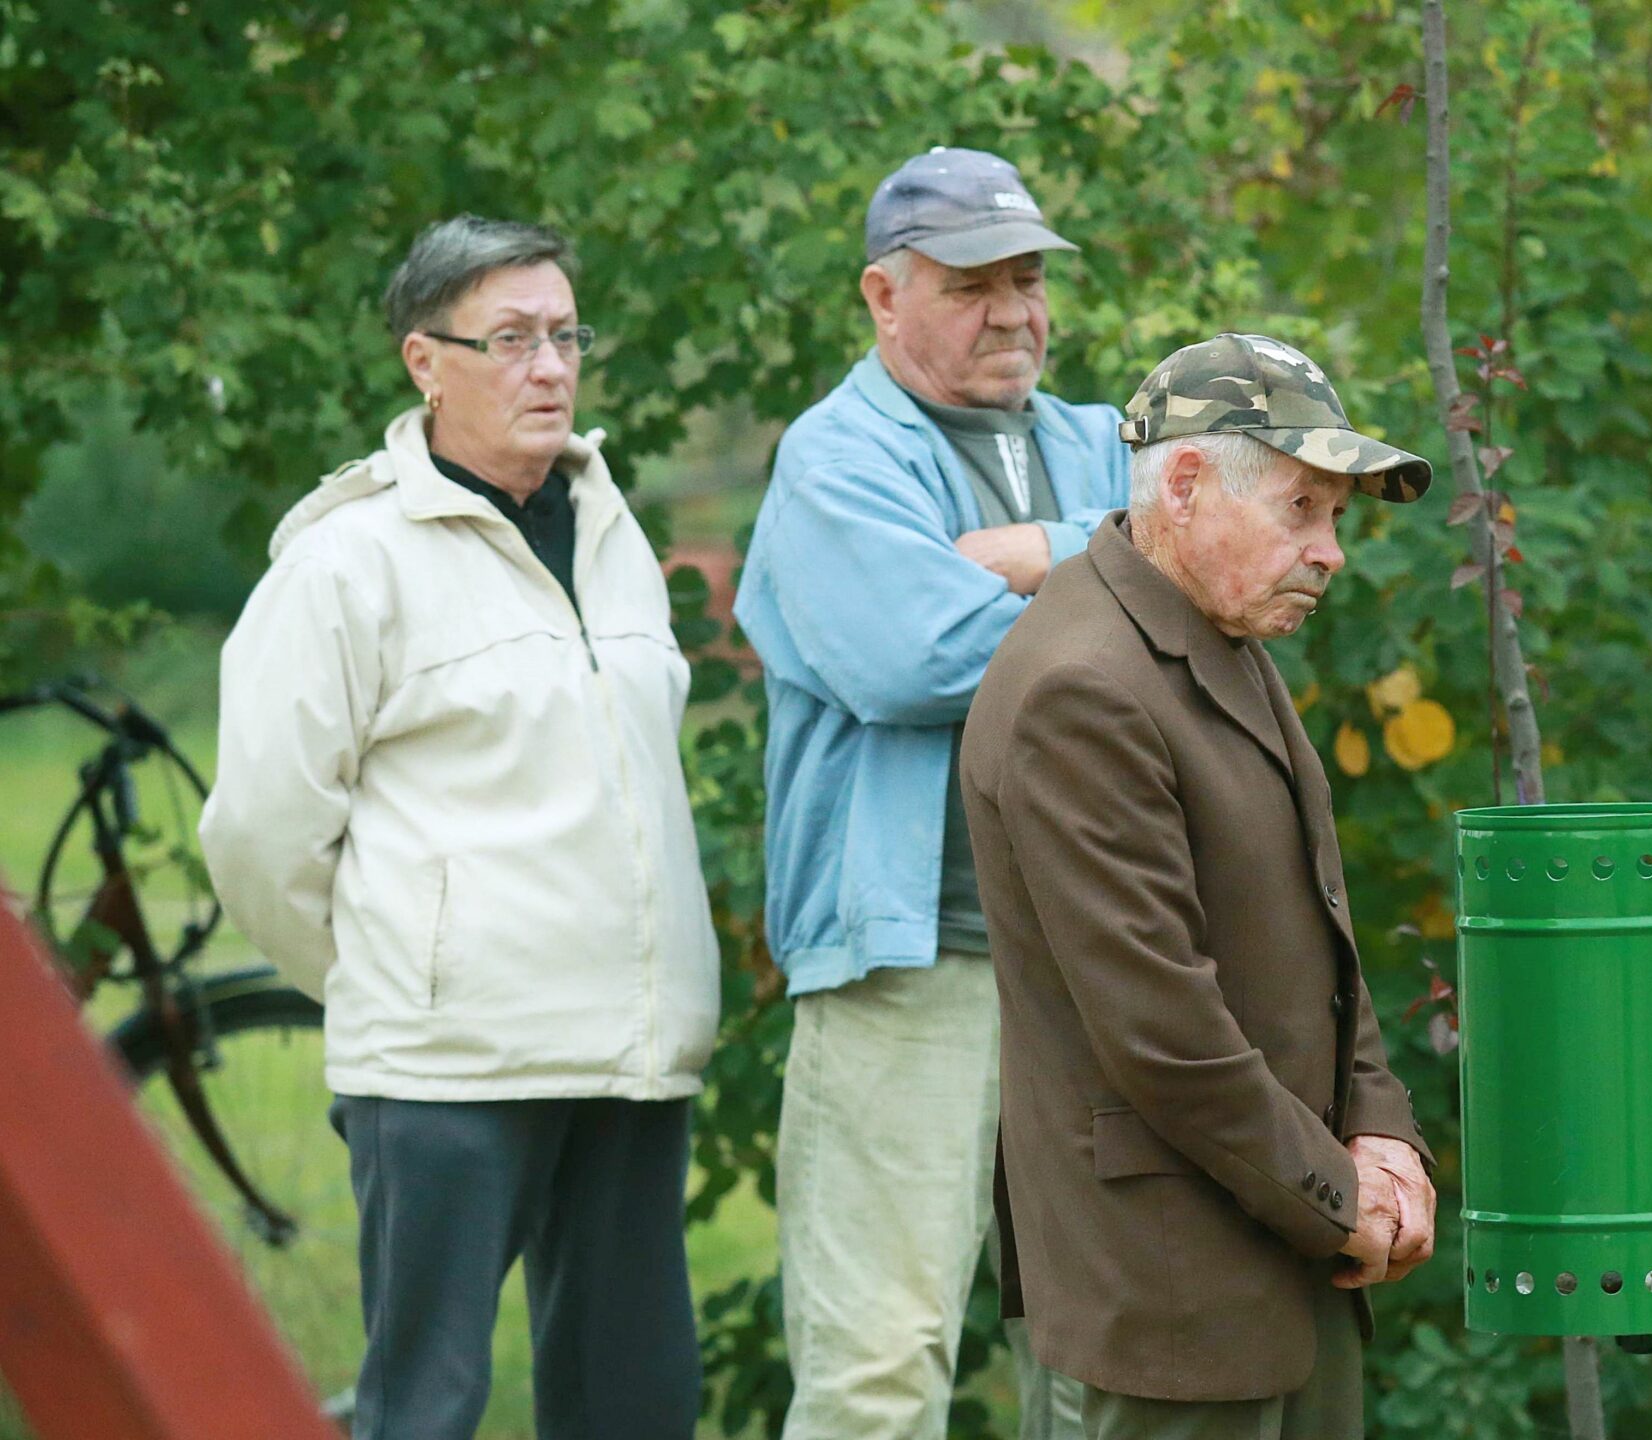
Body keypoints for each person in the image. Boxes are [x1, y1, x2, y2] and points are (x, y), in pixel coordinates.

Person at [199, 215, 719, 1440]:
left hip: (632, 1059)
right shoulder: (347, 562)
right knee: (423, 1412)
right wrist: (400, 975)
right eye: (512, 339)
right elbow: (260, 837)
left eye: (565, 335)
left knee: (636, 1412)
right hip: (448, 1076)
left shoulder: (612, 527)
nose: (550, 366)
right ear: (424, 361)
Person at [960, 333, 1438, 1440]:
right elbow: (1163, 1031)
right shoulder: (1080, 684)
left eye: (1338, 518)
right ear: (1182, 485)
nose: (1330, 553)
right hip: (1163, 1294)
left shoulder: (1213, 636)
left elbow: (1317, 934)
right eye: (1300, 509)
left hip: (1280, 1257)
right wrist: (1339, 1198)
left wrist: (1379, 1133)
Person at [732, 147, 1127, 1440]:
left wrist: (1034, 554)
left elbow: (1219, 590)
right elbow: (916, 658)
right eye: (972, 285)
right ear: (882, 297)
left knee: (1104, 1360)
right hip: (913, 970)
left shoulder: (1097, 446)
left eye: (1026, 278)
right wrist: (1113, 581)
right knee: (879, 1373)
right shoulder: (833, 459)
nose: (1014, 309)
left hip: (1095, 972)